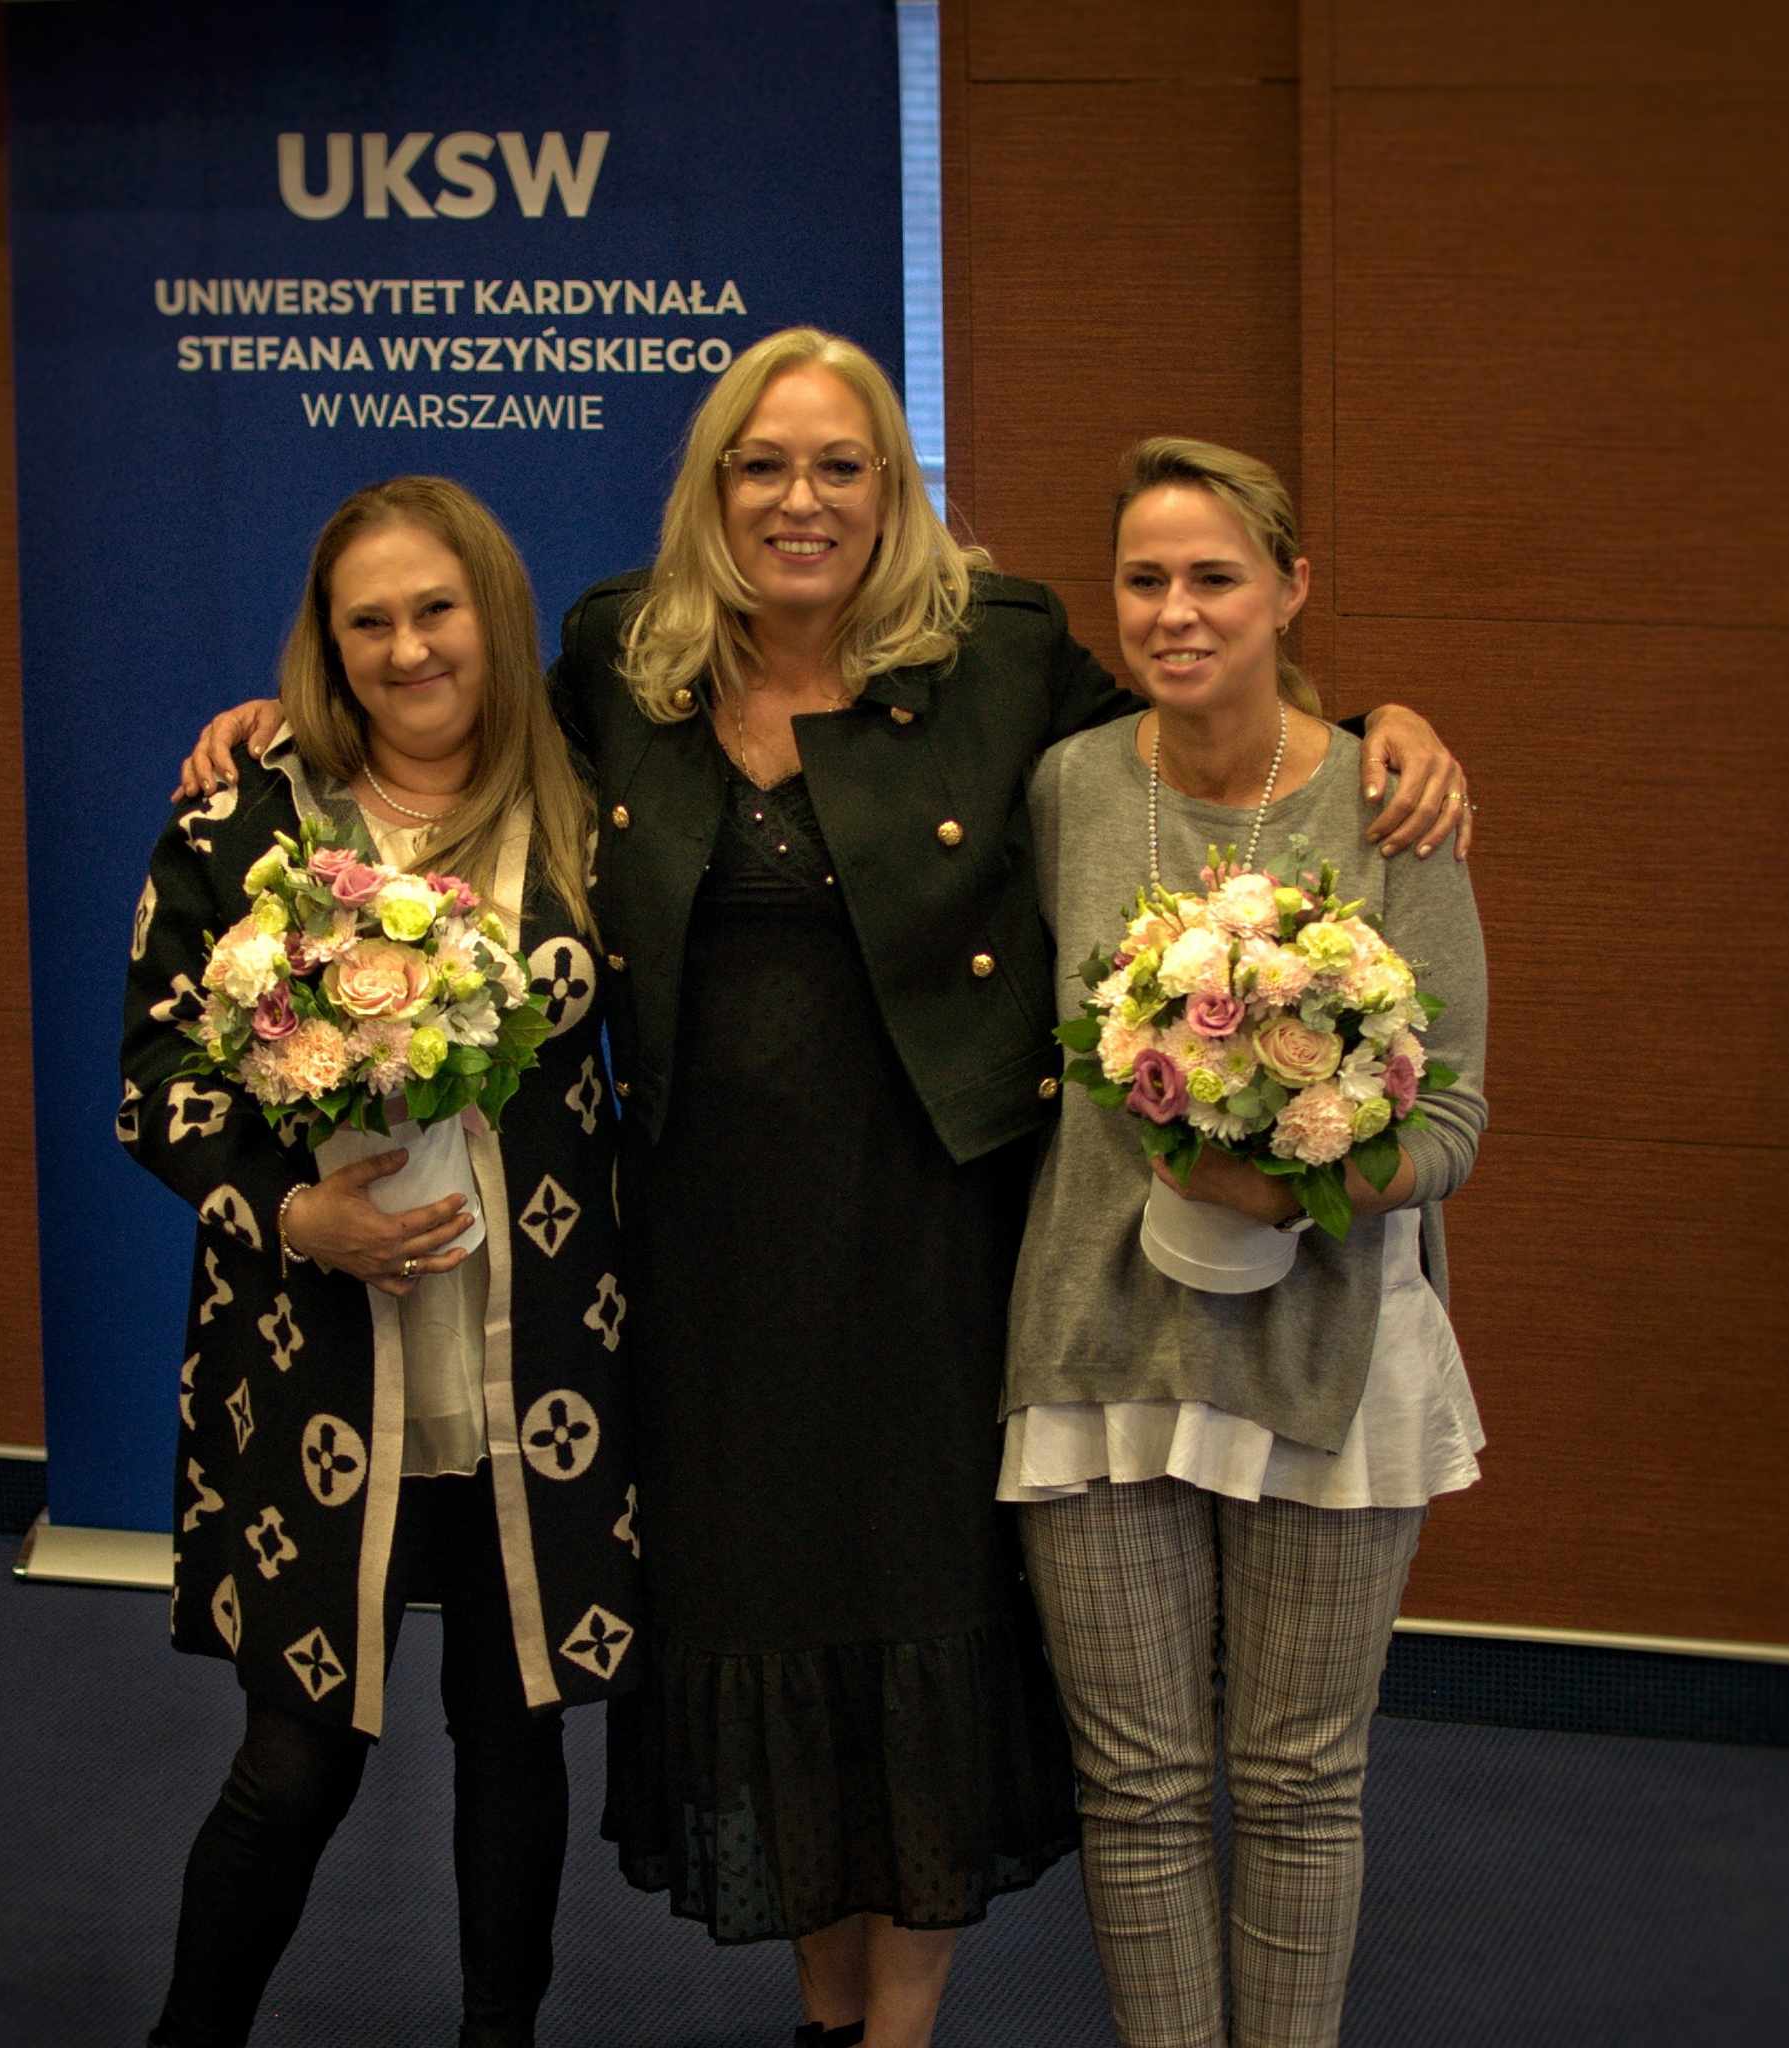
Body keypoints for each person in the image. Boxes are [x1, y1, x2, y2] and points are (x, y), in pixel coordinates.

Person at [179, 329, 1472, 2048]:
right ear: (715, 487)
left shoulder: (997, 651)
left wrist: (1375, 727)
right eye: (764, 465)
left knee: (917, 1626)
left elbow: (1206, 735)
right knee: (763, 1629)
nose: (801, 499)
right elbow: (449, 725)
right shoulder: (623, 657)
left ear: (892, 487)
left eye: (840, 466)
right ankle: (825, 2013)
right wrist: (285, 723)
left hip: (931, 1236)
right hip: (701, 1252)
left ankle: (897, 2033)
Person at [123, 476, 640, 2048]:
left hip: (531, 1352)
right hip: (314, 1360)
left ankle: (501, 2032)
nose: (410, 649)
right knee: (296, 1759)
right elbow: (157, 1090)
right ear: (327, 643)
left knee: (515, 1730)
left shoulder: (592, 800)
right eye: (370, 622)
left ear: (495, 610)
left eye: (437, 609)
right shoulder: (242, 821)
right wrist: (294, 1214)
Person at [1000, 436, 1489, 2047]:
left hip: (1329, 1350)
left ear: (1290, 591)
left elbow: (1454, 1118)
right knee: (1136, 1787)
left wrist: (1302, 1185)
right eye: (1144, 579)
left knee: (1296, 1781)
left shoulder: (1387, 799)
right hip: (1102, 1344)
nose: (1177, 611)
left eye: (1215, 577)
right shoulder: (1069, 788)